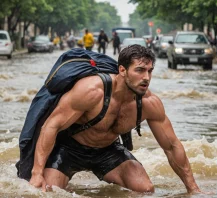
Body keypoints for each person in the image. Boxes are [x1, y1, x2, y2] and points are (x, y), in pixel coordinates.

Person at [28, 44, 202, 194]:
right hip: (69, 149)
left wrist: (193, 189)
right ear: (122, 70)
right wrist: (36, 173)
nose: (146, 78)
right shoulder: (92, 91)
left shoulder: (149, 103)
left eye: (150, 71)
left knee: (145, 189)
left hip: (107, 150)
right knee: (49, 192)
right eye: (140, 70)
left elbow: (171, 146)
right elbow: (51, 126)